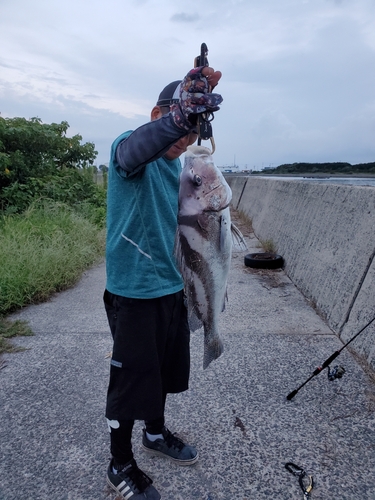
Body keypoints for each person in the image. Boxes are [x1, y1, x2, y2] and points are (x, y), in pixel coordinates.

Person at [103, 64, 222, 499]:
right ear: (158, 114)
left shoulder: (179, 169)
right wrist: (179, 117)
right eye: (179, 128)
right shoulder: (129, 149)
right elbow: (135, 150)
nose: (184, 141)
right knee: (130, 381)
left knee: (162, 373)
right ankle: (119, 464)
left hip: (171, 286)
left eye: (192, 134)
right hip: (133, 291)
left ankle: (154, 434)